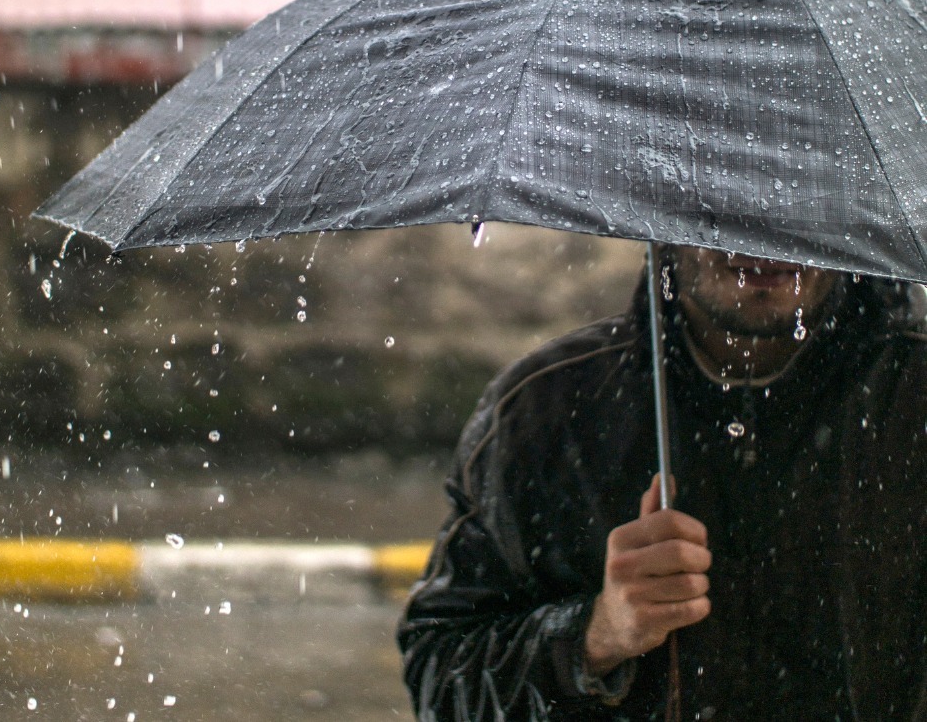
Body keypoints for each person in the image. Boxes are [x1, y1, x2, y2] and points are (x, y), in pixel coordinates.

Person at [397, 245, 927, 721]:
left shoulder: (913, 391)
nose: (764, 239)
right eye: (725, 198)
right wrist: (596, 636)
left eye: (793, 198)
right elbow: (441, 675)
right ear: (664, 218)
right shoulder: (541, 413)